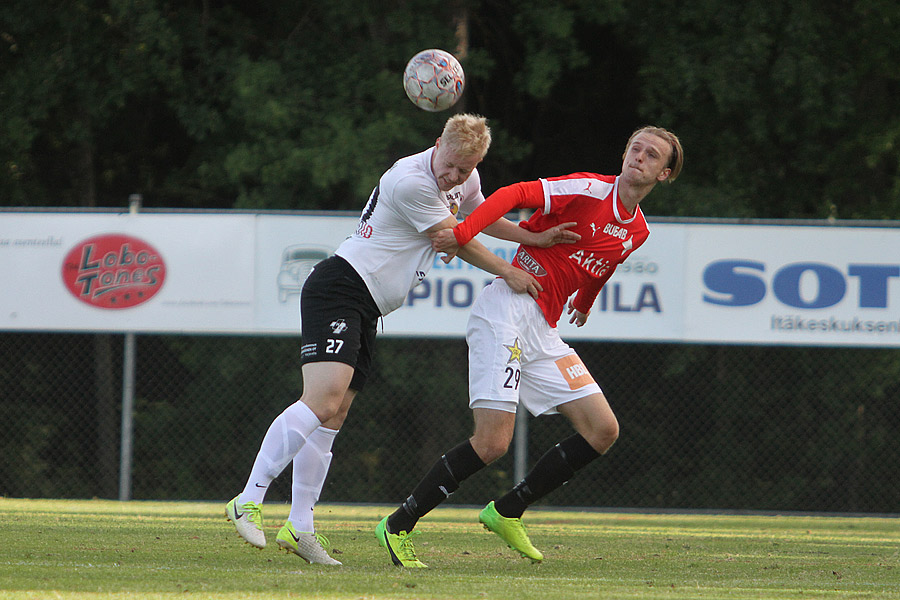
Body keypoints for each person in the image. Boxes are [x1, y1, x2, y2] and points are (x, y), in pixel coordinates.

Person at [225, 113, 580, 565]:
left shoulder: (465, 178)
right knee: (322, 401)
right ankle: (249, 498)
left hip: (368, 305)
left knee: (333, 417)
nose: (454, 175)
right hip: (340, 286)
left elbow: (479, 216)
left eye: (465, 169)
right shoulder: (409, 181)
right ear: (438, 143)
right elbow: (453, 239)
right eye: (450, 165)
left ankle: (300, 526)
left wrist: (535, 236)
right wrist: (508, 269)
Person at [376, 126, 683, 567]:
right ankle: (398, 525)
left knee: (603, 430)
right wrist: (463, 232)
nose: (639, 157)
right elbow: (512, 194)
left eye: (651, 155)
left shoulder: (638, 231)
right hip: (506, 310)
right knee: (492, 443)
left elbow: (604, 262)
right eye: (635, 147)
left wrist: (587, 299)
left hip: (544, 328)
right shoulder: (590, 190)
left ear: (665, 174)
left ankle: (507, 511)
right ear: (623, 153)